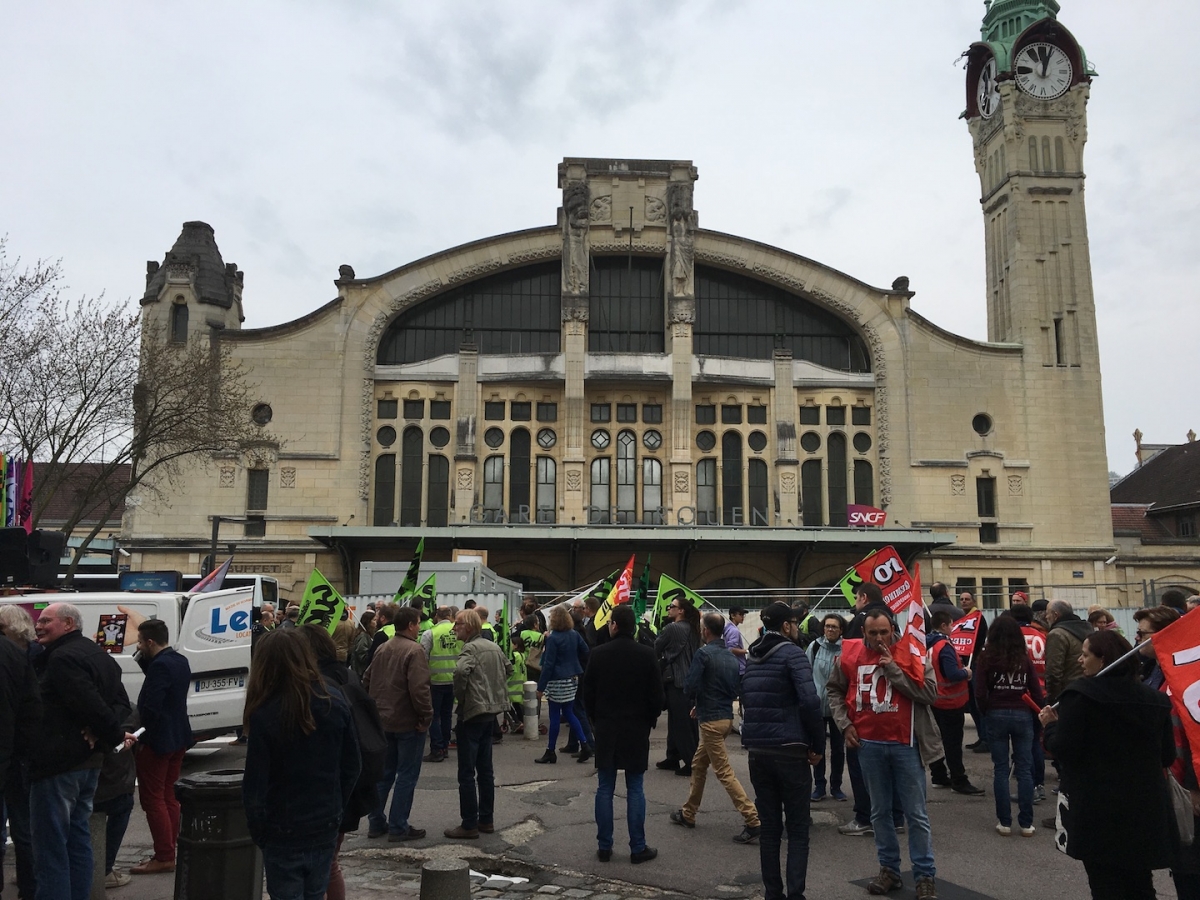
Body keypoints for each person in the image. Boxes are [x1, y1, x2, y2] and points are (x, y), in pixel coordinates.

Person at [1039, 630, 1175, 898]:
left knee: (1105, 884)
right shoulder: (1155, 700)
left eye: (1086, 654)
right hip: (1144, 806)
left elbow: (1064, 749)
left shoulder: (1080, 696)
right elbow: (1167, 755)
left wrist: (1051, 727)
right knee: (1140, 884)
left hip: (1098, 808)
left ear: (1103, 660)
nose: (1080, 660)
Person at [827, 608, 942, 899]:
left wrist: (893, 668)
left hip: (906, 744)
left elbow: (928, 693)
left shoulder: (912, 654)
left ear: (893, 630)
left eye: (884, 632)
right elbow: (834, 691)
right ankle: (889, 869)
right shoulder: (849, 656)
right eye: (873, 632)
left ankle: (924, 875)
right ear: (863, 632)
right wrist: (844, 725)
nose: (879, 638)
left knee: (916, 814)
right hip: (869, 745)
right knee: (879, 813)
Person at [242, 629, 361, 900]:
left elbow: (255, 783)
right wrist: (335, 806)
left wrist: (259, 830)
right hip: (324, 818)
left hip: (282, 824)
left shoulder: (265, 711)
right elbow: (352, 765)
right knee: (316, 892)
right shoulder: (333, 698)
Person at [29, 602, 130, 900]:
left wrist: (104, 731)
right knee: (77, 839)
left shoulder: (62, 658)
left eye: (46, 620)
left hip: (58, 764)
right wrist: (104, 735)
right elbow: (121, 704)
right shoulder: (98, 654)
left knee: (51, 848)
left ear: (68, 624)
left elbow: (92, 703)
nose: (38, 625)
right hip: (88, 763)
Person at [741, 601, 825, 900]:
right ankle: (796, 895)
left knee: (770, 830)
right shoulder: (793, 653)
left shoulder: (752, 656)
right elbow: (811, 701)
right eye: (794, 623)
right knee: (799, 830)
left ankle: (772, 894)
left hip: (758, 751)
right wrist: (817, 744)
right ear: (787, 626)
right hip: (790, 750)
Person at [294, 625, 385, 900]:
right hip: (353, 784)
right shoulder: (347, 674)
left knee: (322, 862)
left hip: (328, 788)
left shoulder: (317, 686)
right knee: (330, 859)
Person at [582, 604, 663, 865]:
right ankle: (637, 847)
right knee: (635, 787)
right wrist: (649, 720)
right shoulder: (647, 654)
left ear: (614, 625)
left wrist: (596, 720)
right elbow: (657, 697)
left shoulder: (598, 654)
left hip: (606, 725)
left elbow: (587, 694)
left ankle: (604, 846)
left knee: (605, 786)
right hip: (636, 727)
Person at [669, 613, 760, 843]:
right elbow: (731, 689)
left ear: (706, 631)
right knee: (698, 764)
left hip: (710, 720)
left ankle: (752, 819)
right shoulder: (730, 656)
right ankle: (688, 813)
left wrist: (698, 702)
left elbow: (690, 685)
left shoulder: (703, 654)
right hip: (725, 718)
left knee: (724, 772)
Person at [130, 618, 193, 875]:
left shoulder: (161, 666)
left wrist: (141, 737)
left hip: (159, 740)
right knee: (168, 795)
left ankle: (164, 854)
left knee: (153, 798)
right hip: (179, 735)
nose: (138, 646)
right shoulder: (178, 660)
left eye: (140, 642)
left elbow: (151, 706)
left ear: (150, 641)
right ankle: (170, 848)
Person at [363, 607, 432, 841]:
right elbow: (419, 689)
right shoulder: (414, 650)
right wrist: (425, 716)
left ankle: (376, 822)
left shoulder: (383, 647)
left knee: (384, 774)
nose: (420, 627)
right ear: (411, 625)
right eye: (418, 623)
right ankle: (398, 826)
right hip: (407, 721)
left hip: (383, 720)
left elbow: (367, 678)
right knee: (406, 776)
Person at [445, 609, 511, 839]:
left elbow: (461, 672)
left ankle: (469, 823)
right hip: (490, 713)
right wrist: (494, 690)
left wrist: (462, 697)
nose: (455, 629)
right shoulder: (493, 646)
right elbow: (509, 668)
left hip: (472, 714)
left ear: (470, 627)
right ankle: (486, 820)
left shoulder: (470, 648)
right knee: (485, 771)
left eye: (458, 625)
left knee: (466, 772)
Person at [975, 615, 1043, 836]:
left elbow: (979, 692)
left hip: (996, 712)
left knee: (1001, 769)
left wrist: (987, 710)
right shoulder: (1023, 658)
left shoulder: (985, 658)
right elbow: (1036, 690)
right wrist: (1038, 712)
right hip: (1022, 713)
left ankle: (1004, 822)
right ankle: (1026, 823)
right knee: (1024, 769)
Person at [0, 605, 41, 900]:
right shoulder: (19, 657)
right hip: (17, 756)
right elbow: (32, 711)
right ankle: (30, 887)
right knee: (24, 827)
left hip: (14, 756)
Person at [926, 611, 984, 796]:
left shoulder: (929, 643)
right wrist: (965, 673)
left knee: (936, 740)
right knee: (952, 745)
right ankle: (959, 780)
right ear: (944, 625)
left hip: (935, 699)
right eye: (951, 625)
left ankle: (939, 775)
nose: (953, 628)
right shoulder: (945, 646)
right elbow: (952, 673)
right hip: (950, 702)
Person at [534, 604, 591, 764]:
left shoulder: (553, 638)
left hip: (556, 680)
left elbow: (549, 665)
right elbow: (586, 650)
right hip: (572, 678)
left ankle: (550, 751)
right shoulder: (574, 634)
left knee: (554, 716)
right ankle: (585, 744)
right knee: (570, 713)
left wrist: (541, 687)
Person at [655, 599, 701, 775]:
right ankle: (673, 756)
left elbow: (657, 646)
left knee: (680, 722)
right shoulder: (693, 628)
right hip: (690, 679)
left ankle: (690, 762)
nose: (669, 609)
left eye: (672, 607)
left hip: (677, 680)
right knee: (684, 721)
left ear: (680, 611)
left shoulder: (673, 628)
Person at [807, 613, 847, 802]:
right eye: (828, 626)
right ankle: (820, 785)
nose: (830, 630)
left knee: (838, 749)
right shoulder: (814, 647)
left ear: (841, 630)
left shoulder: (846, 649)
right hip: (817, 707)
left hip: (839, 709)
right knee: (818, 748)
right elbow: (806, 674)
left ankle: (836, 786)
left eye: (834, 627)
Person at [420, 606, 460, 763]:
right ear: (450, 615)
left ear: (436, 616)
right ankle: (444, 745)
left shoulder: (430, 633)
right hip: (454, 679)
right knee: (447, 714)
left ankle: (437, 749)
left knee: (434, 716)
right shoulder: (457, 631)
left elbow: (423, 657)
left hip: (435, 680)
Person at [1044, 599, 1091, 704]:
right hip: (1088, 690)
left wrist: (1052, 702)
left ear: (1055, 615)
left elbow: (1053, 673)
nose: (1046, 617)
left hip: (1067, 695)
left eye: (1047, 613)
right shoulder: (1088, 630)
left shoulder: (1056, 634)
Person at [349, 609, 376, 678]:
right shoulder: (363, 636)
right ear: (368, 622)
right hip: (361, 671)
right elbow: (361, 653)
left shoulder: (369, 635)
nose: (376, 622)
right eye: (374, 620)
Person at [724, 607, 748, 676]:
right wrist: (747, 651)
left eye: (743, 615)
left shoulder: (727, 628)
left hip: (731, 666)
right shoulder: (734, 630)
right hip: (738, 667)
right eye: (740, 614)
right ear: (732, 616)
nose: (742, 617)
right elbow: (731, 649)